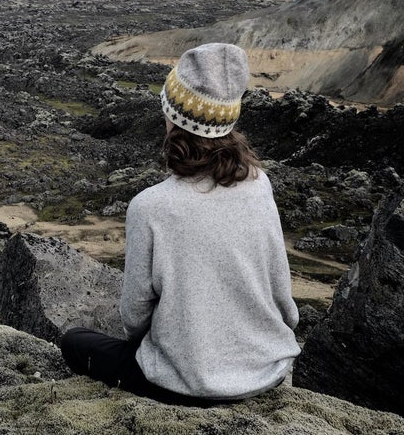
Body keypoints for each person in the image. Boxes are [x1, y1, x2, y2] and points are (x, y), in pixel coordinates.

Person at [60, 42, 300, 405]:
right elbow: (282, 295)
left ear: (174, 117)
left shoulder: (149, 207)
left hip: (186, 382)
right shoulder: (258, 182)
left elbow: (134, 318)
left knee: (75, 342)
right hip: (267, 371)